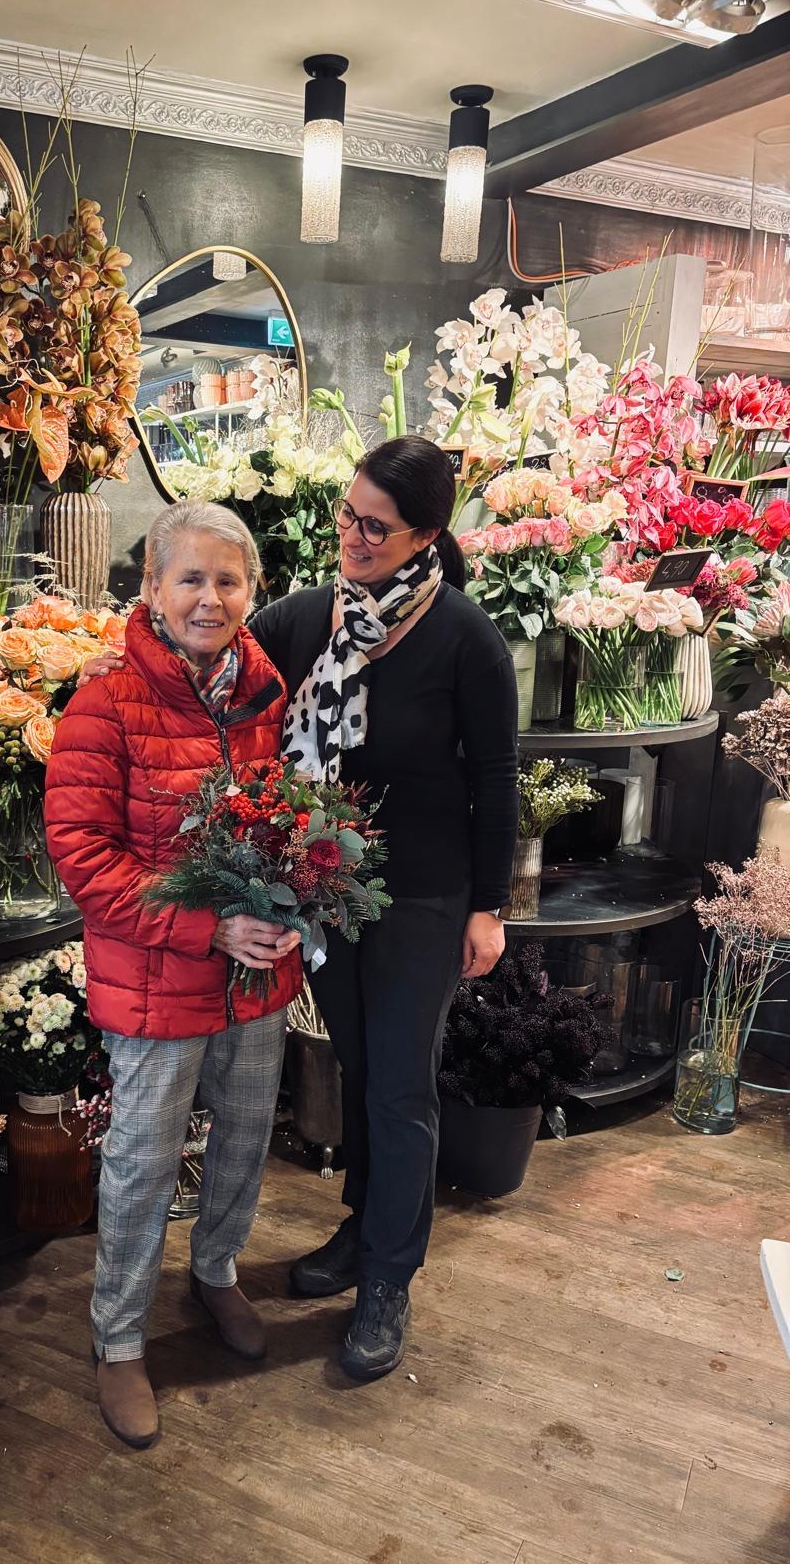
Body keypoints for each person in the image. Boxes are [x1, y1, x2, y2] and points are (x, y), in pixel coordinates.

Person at [248, 434, 519, 1383]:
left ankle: (389, 1279)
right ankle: (364, 1230)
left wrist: (489, 907)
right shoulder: (309, 619)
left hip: (424, 894)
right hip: (334, 890)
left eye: (376, 526)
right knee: (357, 1070)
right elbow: (225, 653)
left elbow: (495, 780)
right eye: (347, 513)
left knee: (402, 1084)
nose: (352, 536)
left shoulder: (464, 639)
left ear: (425, 538)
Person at [45, 502, 302, 1450]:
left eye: (227, 580)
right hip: (158, 980)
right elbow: (83, 857)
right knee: (145, 1163)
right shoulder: (104, 700)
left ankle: (219, 1272)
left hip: (255, 976)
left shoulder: (263, 692)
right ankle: (118, 1337)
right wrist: (208, 927)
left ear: (252, 591)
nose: (209, 598)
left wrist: (292, 897)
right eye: (188, 579)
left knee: (241, 1137)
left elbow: (282, 822)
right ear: (150, 589)